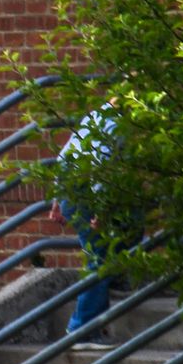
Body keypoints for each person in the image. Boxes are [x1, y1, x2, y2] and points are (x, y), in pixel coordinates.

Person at [51, 106, 123, 338]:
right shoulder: (118, 124)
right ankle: (82, 327)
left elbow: (66, 154)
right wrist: (100, 210)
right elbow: (103, 164)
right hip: (85, 190)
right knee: (99, 255)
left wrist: (57, 200)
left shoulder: (96, 114)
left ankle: (116, 278)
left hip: (70, 186)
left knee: (103, 248)